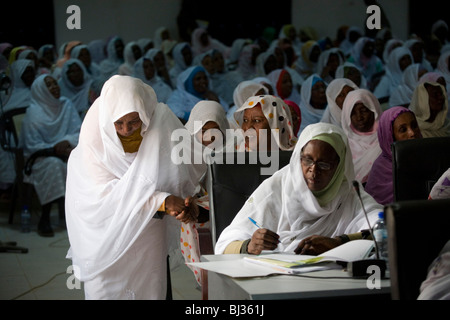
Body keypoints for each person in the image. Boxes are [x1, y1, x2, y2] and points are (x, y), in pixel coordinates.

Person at [65, 75, 206, 300]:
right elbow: (101, 197)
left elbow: (186, 168)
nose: (126, 130)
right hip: (106, 236)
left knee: (149, 288)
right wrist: (161, 200)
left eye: (134, 122)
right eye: (118, 123)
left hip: (148, 230)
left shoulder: (160, 121)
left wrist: (181, 199)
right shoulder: (94, 134)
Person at [214, 122, 383, 255]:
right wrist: (249, 245)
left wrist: (338, 243)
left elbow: (384, 228)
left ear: (339, 167)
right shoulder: (276, 188)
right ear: (297, 159)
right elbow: (224, 245)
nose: (313, 170)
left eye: (324, 165)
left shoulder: (349, 193)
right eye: (307, 160)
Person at [19, 74, 82, 237]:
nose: (55, 87)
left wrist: (66, 141)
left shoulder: (66, 105)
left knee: (82, 166)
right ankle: (45, 218)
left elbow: (78, 131)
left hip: (66, 152)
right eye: (49, 85)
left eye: (55, 83)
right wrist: (54, 149)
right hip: (39, 158)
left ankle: (78, 217)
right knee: (54, 165)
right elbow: (32, 145)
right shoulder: (34, 112)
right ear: (40, 90)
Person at [181, 100, 231, 285]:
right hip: (197, 223)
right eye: (204, 131)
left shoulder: (233, 154)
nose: (211, 138)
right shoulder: (184, 157)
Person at [365, 107, 422, 205]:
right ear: (390, 137)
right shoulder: (380, 171)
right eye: (403, 130)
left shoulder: (429, 156)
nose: (412, 133)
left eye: (414, 126)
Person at [341, 89, 382, 184]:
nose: (359, 117)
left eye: (363, 111)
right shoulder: (343, 146)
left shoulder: (387, 138)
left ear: (374, 109)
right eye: (353, 113)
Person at [233, 95, 297, 152]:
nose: (248, 127)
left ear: (277, 125)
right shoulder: (235, 157)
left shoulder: (297, 158)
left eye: (257, 121)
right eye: (245, 120)